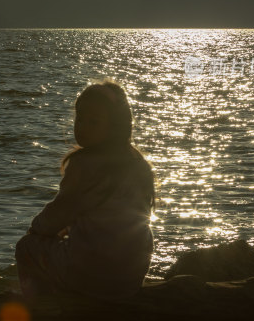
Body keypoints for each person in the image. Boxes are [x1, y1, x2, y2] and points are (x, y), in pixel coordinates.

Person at [15, 80, 155, 303]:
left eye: (94, 122)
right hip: (130, 277)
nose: (82, 127)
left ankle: (42, 306)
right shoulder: (139, 164)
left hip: (90, 274)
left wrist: (36, 229)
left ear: (114, 126)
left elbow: (58, 214)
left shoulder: (84, 165)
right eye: (80, 119)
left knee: (26, 247)